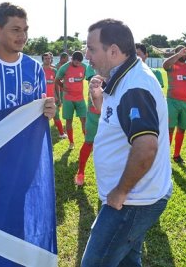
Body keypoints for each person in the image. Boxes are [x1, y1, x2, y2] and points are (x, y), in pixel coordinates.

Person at [81, 18, 172, 267]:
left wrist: (120, 191)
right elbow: (119, 123)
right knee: (127, 262)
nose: (87, 55)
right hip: (131, 199)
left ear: (113, 50)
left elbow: (146, 147)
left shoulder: (134, 86)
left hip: (132, 201)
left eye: (91, 48)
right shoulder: (123, 77)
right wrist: (99, 99)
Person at [74, 64, 100, 186]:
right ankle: (81, 172)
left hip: (112, 115)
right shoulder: (92, 66)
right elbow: (95, 86)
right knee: (89, 142)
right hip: (94, 114)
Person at [55, 51, 87, 150]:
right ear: (72, 59)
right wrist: (63, 87)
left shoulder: (84, 67)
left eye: (79, 62)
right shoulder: (64, 68)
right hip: (68, 99)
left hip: (80, 98)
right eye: (76, 61)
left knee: (84, 120)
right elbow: (57, 80)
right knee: (69, 121)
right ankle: (71, 142)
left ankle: (87, 142)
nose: (78, 64)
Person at [42, 52, 67, 138]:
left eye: (49, 58)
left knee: (56, 115)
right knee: (41, 118)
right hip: (41, 98)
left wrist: (58, 97)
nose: (48, 60)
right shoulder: (39, 69)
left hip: (52, 97)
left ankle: (61, 133)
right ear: (43, 59)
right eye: (46, 58)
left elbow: (56, 85)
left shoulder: (54, 70)